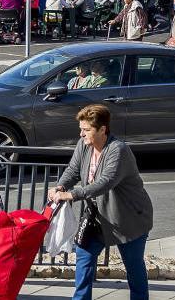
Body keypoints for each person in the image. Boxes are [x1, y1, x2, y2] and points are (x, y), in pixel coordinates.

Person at [50, 104, 153, 300]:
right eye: (81, 129)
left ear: (102, 129)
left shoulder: (118, 150)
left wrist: (72, 195)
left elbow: (105, 182)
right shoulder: (84, 145)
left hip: (128, 219)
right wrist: (61, 187)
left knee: (133, 268)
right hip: (96, 217)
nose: (81, 134)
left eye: (86, 130)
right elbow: (73, 170)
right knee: (83, 257)